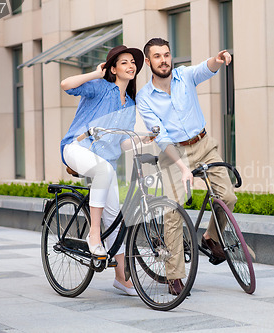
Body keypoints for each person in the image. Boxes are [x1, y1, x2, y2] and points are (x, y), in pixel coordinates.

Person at [136, 38, 237, 295]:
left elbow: (206, 68)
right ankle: (175, 276)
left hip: (203, 144)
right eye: (157, 56)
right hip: (173, 153)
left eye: (167, 54)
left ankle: (211, 238)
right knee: (172, 213)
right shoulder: (145, 97)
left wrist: (219, 59)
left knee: (227, 196)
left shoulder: (184, 76)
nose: (164, 60)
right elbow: (161, 138)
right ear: (148, 62)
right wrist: (183, 167)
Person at [60, 45, 144, 296]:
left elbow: (121, 142)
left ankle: (121, 278)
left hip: (103, 163)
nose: (131, 66)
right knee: (105, 170)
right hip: (75, 147)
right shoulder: (100, 87)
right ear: (113, 68)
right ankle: (93, 236)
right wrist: (96, 74)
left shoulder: (129, 102)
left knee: (115, 217)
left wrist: (144, 139)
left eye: (133, 62)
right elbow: (66, 84)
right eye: (125, 62)